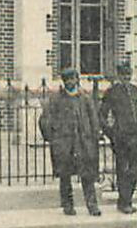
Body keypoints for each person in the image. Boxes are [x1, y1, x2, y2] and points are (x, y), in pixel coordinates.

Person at [38, 66, 101, 216]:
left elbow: (93, 119)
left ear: (77, 80)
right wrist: (53, 138)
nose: (70, 82)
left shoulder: (85, 98)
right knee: (65, 175)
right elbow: (45, 120)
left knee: (87, 175)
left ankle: (92, 205)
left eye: (73, 79)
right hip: (64, 144)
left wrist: (94, 136)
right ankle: (68, 205)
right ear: (63, 81)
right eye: (67, 79)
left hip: (82, 142)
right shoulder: (56, 99)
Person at [100, 58, 137, 214]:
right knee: (123, 170)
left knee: (135, 169)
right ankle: (124, 202)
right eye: (123, 74)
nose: (126, 77)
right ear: (118, 75)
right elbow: (102, 115)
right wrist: (111, 133)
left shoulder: (136, 91)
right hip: (122, 138)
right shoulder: (112, 92)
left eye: (128, 73)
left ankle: (129, 199)